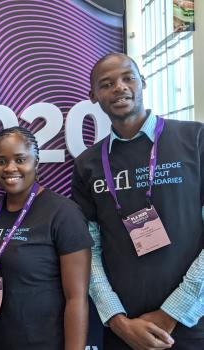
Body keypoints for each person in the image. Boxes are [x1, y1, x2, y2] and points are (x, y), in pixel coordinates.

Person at [72, 53, 204, 349]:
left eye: (127, 78)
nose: (119, 87)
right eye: (106, 84)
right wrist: (117, 321)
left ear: (143, 82)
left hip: (193, 325)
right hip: (124, 333)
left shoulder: (195, 140)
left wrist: (172, 313)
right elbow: (88, 252)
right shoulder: (87, 165)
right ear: (93, 95)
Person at [0, 127, 92, 350]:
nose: (10, 168)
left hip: (46, 342)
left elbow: (76, 299)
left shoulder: (63, 212)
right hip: (0, 342)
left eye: (20, 159)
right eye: (1, 161)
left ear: (36, 163)